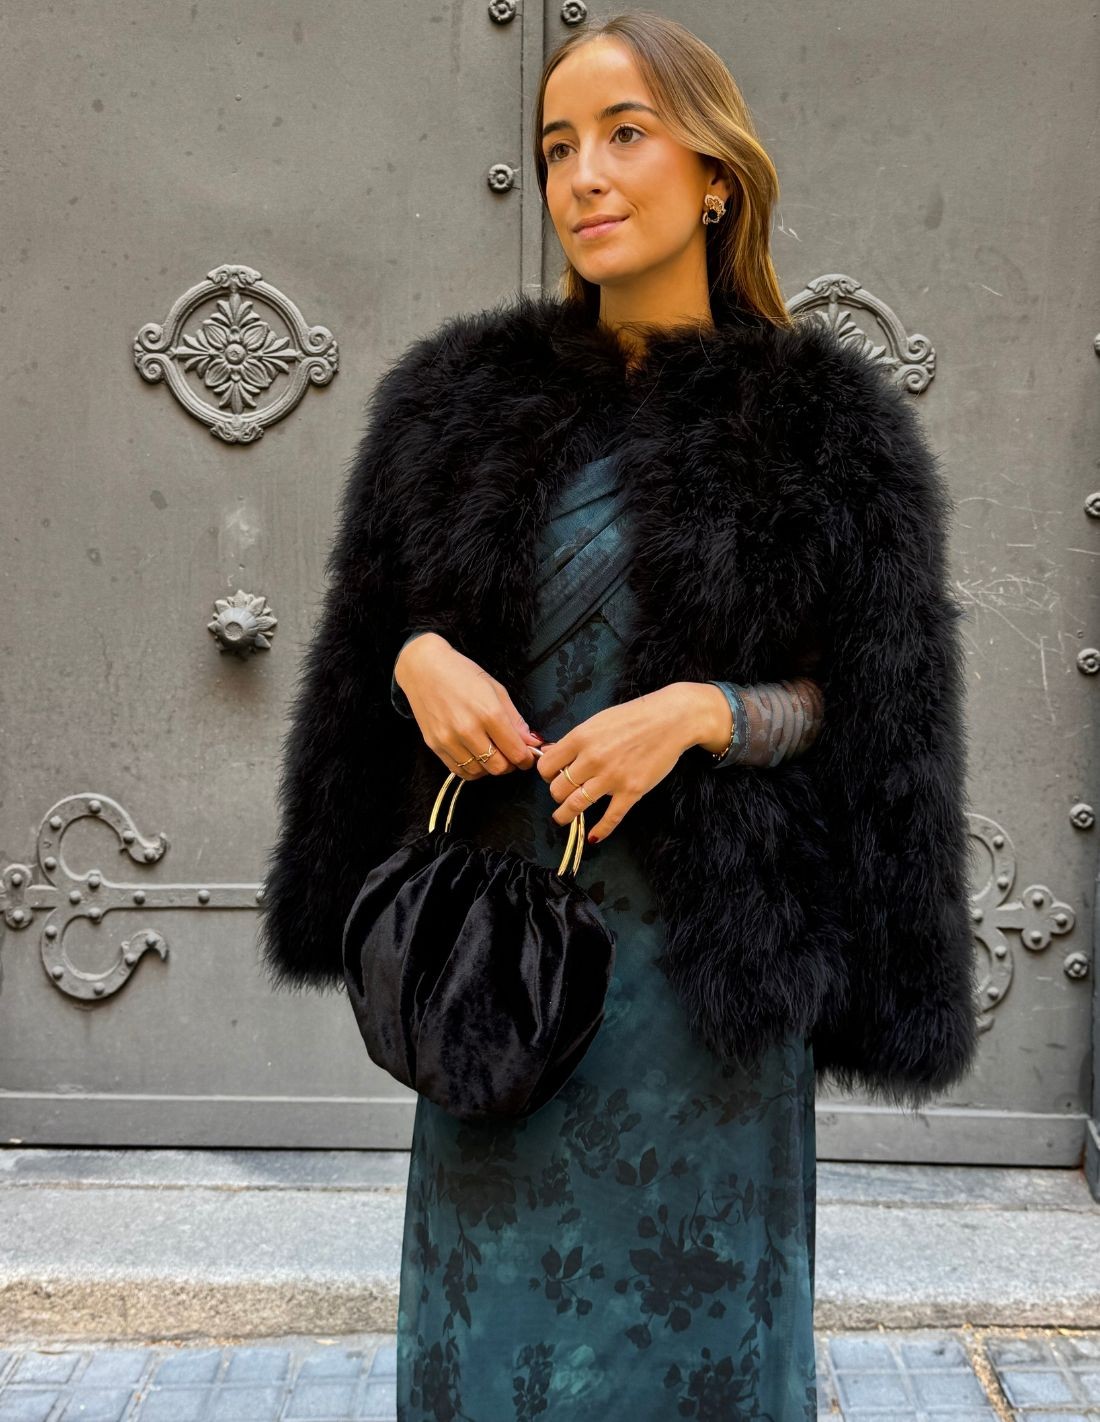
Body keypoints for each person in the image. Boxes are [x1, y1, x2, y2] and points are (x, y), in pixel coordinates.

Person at [258, 12, 979, 1420]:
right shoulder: (454, 406)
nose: (582, 175)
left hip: (703, 982)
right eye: (556, 147)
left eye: (624, 134)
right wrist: (414, 659)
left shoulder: (825, 427)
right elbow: (370, 647)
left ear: (715, 175)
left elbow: (872, 713)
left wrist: (704, 714)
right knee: (494, 1342)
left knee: (692, 1347)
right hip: (501, 973)